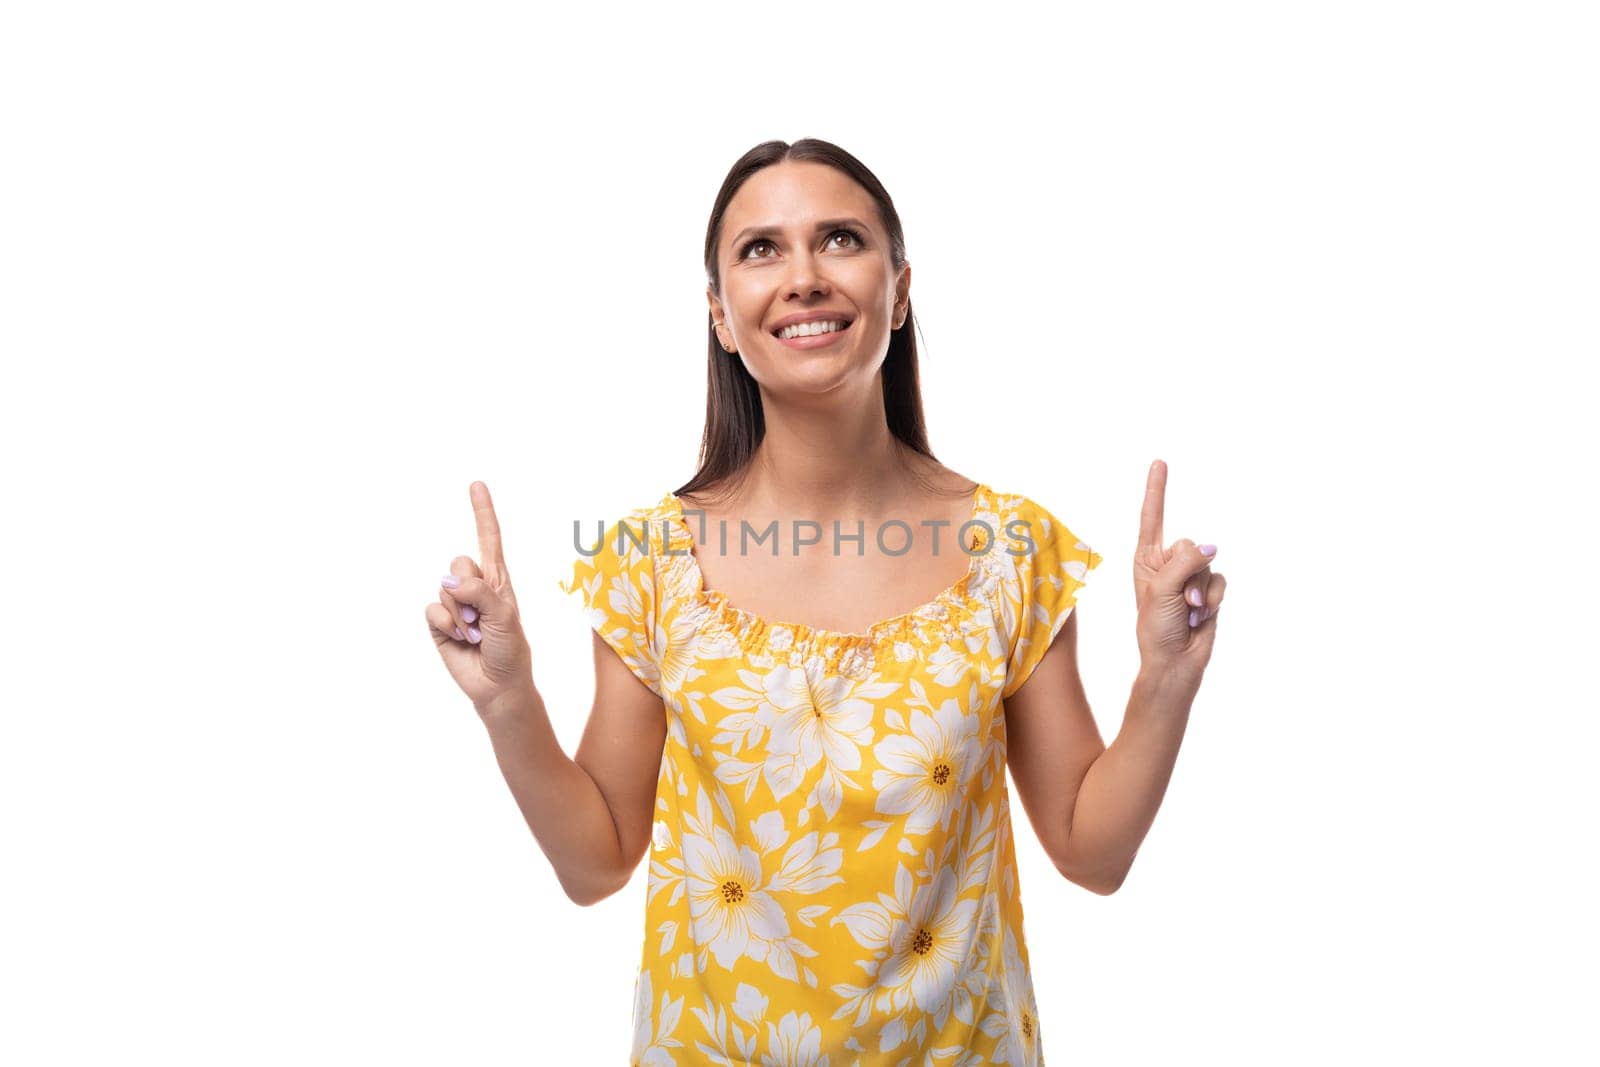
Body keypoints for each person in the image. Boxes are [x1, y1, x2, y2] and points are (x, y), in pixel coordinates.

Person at [424, 138, 1227, 1065]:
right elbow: (595, 861)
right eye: (761, 250)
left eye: (839, 239)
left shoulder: (1011, 551)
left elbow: (1093, 853)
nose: (802, 277)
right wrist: (508, 701)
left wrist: (1167, 677)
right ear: (722, 316)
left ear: (901, 287)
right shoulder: (651, 561)